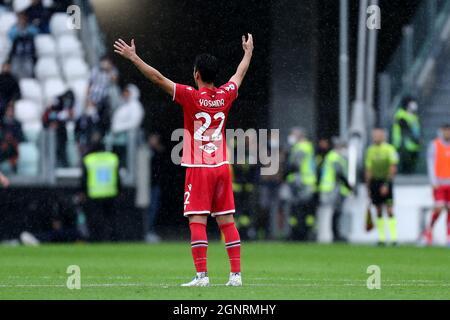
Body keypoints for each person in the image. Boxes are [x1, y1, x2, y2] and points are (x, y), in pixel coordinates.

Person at [114, 33, 254, 287]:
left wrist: (134, 57)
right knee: (227, 221)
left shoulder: (190, 96)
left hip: (199, 167)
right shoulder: (226, 94)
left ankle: (202, 276)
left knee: (197, 220)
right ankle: (236, 275)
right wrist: (248, 53)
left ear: (197, 74)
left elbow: (157, 78)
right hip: (222, 166)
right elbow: (239, 75)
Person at [80, 134, 121, 242]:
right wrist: (120, 190)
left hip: (94, 194)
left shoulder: (89, 159)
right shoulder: (112, 158)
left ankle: (96, 239)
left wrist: (82, 192)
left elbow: (84, 178)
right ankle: (113, 239)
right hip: (110, 193)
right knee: (111, 220)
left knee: (95, 220)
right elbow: (117, 177)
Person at [365, 128, 399, 246]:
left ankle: (394, 238)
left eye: (378, 135)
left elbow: (393, 167)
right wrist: (368, 187)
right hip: (375, 182)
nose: (376, 137)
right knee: (378, 210)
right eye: (374, 135)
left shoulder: (389, 149)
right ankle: (382, 238)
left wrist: (386, 184)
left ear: (383, 136)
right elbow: (368, 169)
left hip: (386, 181)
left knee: (389, 209)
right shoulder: (370, 150)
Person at [285, 127, 317, 241]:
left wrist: (286, 170)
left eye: (293, 134)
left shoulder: (301, 147)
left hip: (301, 181)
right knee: (305, 209)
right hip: (306, 181)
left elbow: (295, 164)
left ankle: (298, 233)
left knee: (298, 209)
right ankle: (306, 233)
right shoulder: (308, 146)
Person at [319, 137, 353, 242]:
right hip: (333, 188)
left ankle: (336, 234)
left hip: (332, 188)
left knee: (336, 212)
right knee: (336, 213)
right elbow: (339, 174)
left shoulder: (333, 156)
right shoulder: (335, 157)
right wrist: (349, 186)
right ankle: (336, 234)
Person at [423, 124, 450, 246]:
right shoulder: (435, 145)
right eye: (445, 131)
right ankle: (429, 231)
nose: (447, 134)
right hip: (439, 182)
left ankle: (448, 236)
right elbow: (430, 163)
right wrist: (433, 181)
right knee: (438, 208)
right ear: (441, 132)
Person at [111, 84, 144, 167]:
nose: (125, 94)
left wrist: (118, 128)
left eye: (127, 92)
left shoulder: (136, 106)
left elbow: (134, 123)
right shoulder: (124, 105)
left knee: (129, 162)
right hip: (118, 140)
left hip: (129, 140)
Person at [42, 89, 75, 167]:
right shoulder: (57, 100)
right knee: (54, 149)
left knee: (62, 148)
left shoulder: (69, 103)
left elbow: (68, 117)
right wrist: (54, 120)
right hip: (52, 131)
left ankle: (64, 165)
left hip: (61, 130)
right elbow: (50, 114)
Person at [391, 96, 421, 174]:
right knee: (405, 164)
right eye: (412, 102)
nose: (414, 105)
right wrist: (413, 138)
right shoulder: (400, 114)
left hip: (413, 145)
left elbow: (416, 130)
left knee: (412, 164)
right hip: (403, 144)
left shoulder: (414, 116)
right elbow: (405, 129)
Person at [145, 133, 166, 243]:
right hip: (146, 186)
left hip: (155, 185)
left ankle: (150, 231)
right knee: (147, 209)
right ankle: (146, 232)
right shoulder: (145, 150)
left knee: (153, 209)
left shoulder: (158, 152)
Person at [8, 12, 38, 79]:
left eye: (23, 18)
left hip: (28, 56)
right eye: (20, 18)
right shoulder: (14, 28)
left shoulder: (31, 28)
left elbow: (35, 33)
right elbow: (11, 35)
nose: (22, 20)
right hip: (16, 56)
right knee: (15, 73)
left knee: (28, 72)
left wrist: (25, 29)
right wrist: (19, 29)